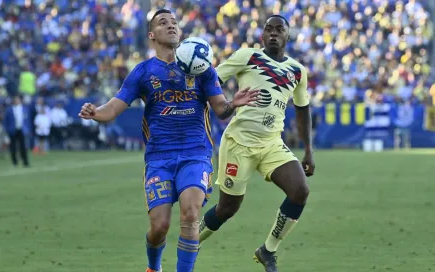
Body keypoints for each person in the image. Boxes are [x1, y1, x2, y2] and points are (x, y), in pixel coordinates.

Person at [78, 9, 258, 272]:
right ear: (152, 34)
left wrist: (234, 104)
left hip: (195, 154)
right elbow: (114, 107)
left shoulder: (202, 69)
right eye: (163, 23)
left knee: (191, 214)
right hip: (159, 159)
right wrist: (95, 113)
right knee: (159, 227)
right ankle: (153, 266)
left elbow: (220, 110)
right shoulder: (142, 72)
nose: (171, 26)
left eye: (174, 22)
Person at [198, 15, 316, 272]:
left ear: (288, 36)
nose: (273, 33)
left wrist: (308, 150)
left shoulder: (297, 71)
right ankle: (191, 240)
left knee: (300, 191)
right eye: (269, 29)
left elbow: (302, 107)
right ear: (262, 36)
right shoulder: (248, 57)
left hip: (272, 143)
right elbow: (211, 79)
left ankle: (268, 250)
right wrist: (228, 102)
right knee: (228, 208)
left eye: (279, 29)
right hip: (239, 143)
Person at [4, 95, 31, 167]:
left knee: (23, 146)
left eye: (18, 100)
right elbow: (6, 121)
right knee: (13, 147)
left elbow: (28, 120)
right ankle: (14, 162)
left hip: (22, 130)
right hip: (12, 130)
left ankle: (25, 162)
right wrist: (6, 130)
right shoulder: (9, 110)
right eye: (15, 100)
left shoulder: (24, 109)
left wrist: (28, 129)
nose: (17, 101)